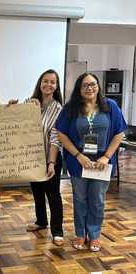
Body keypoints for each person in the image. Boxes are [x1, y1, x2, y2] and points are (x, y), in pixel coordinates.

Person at [56, 72, 126, 252]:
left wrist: (106, 157)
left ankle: (94, 235)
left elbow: (119, 133)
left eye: (93, 84)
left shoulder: (110, 106)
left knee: (97, 200)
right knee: (80, 199)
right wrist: (78, 155)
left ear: (98, 86)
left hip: (102, 162)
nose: (90, 88)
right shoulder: (71, 108)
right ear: (79, 89)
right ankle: (80, 234)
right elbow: (61, 134)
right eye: (85, 85)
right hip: (78, 161)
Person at [25, 69, 64, 246]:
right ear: (40, 83)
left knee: (53, 194)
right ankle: (41, 222)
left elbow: (55, 137)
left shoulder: (58, 108)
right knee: (37, 192)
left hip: (51, 157)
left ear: (56, 86)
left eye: (52, 82)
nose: (48, 85)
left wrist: (51, 163)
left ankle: (57, 231)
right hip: (33, 158)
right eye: (45, 81)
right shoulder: (29, 103)